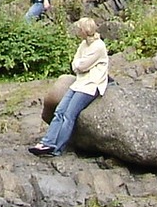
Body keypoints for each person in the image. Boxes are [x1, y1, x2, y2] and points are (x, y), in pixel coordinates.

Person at [30, 17, 109, 157]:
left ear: (85, 30)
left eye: (80, 29)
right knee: (59, 110)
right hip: (79, 83)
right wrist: (79, 65)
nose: (78, 31)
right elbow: (75, 64)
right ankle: (47, 142)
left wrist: (79, 65)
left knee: (69, 115)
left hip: (91, 86)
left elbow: (82, 65)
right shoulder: (83, 45)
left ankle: (58, 148)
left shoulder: (99, 46)